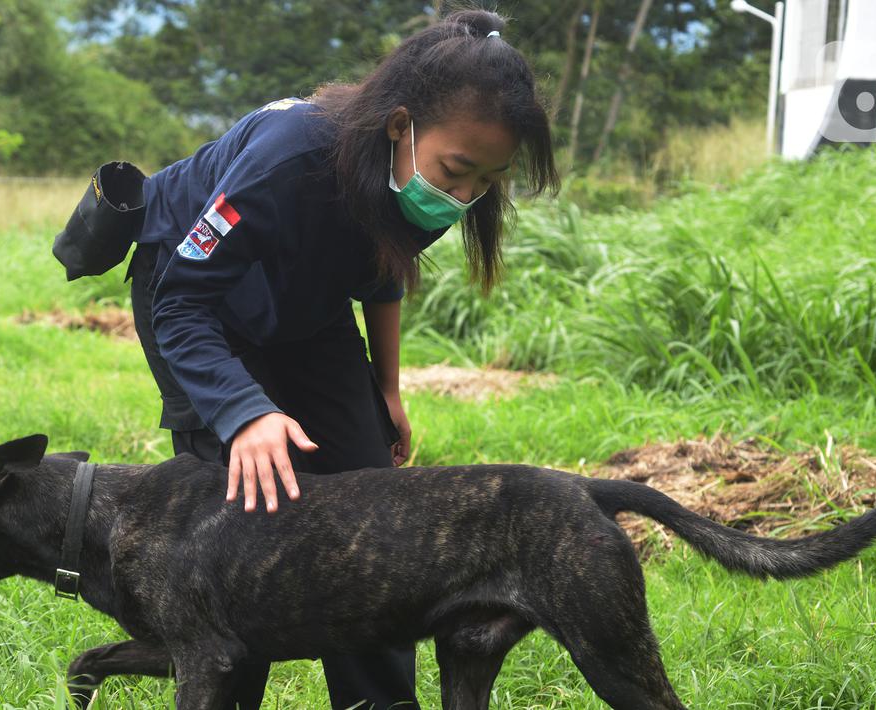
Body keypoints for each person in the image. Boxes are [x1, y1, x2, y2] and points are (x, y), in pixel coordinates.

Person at [125, 9, 558, 709]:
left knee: (373, 505)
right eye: (456, 172)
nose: (464, 197)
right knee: (239, 509)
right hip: (199, 296)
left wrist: (386, 389)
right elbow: (182, 301)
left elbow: (380, 269)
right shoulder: (288, 160)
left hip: (305, 302)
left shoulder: (427, 179)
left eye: (487, 179)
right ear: (399, 126)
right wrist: (244, 413)